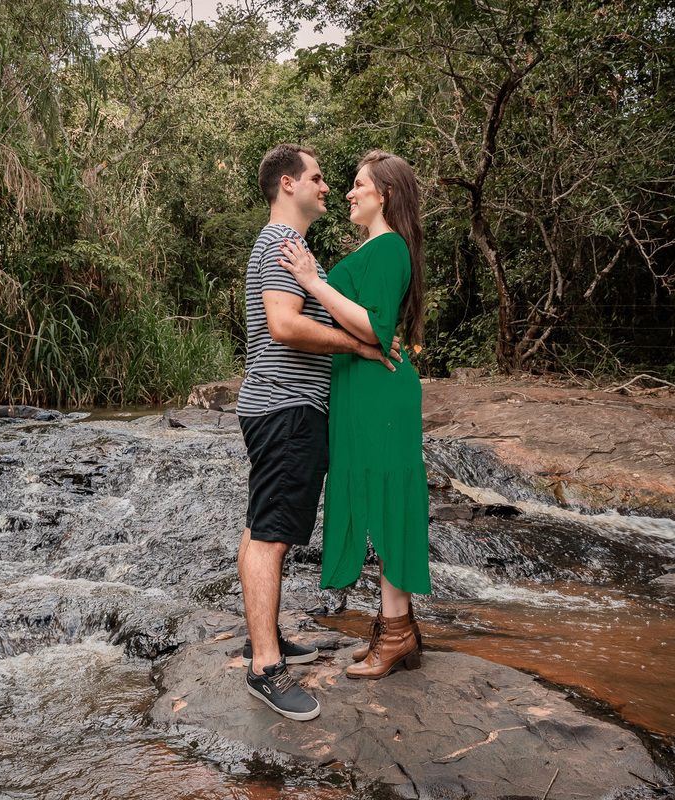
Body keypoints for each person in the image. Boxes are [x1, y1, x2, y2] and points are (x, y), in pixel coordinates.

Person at [237, 144, 401, 720]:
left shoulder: (287, 245)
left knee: (261, 526)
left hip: (277, 406)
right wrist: (358, 345)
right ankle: (265, 668)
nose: (328, 186)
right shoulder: (283, 243)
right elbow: (284, 325)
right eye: (318, 177)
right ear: (289, 184)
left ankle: (266, 641)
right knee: (272, 536)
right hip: (286, 408)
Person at [277, 150, 430, 680]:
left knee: (388, 504)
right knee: (377, 501)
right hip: (361, 390)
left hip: (379, 392)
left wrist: (313, 282)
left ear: (384, 195)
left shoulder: (390, 246)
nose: (348, 192)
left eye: (359, 184)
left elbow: (375, 328)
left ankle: (396, 633)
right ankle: (397, 630)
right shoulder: (375, 246)